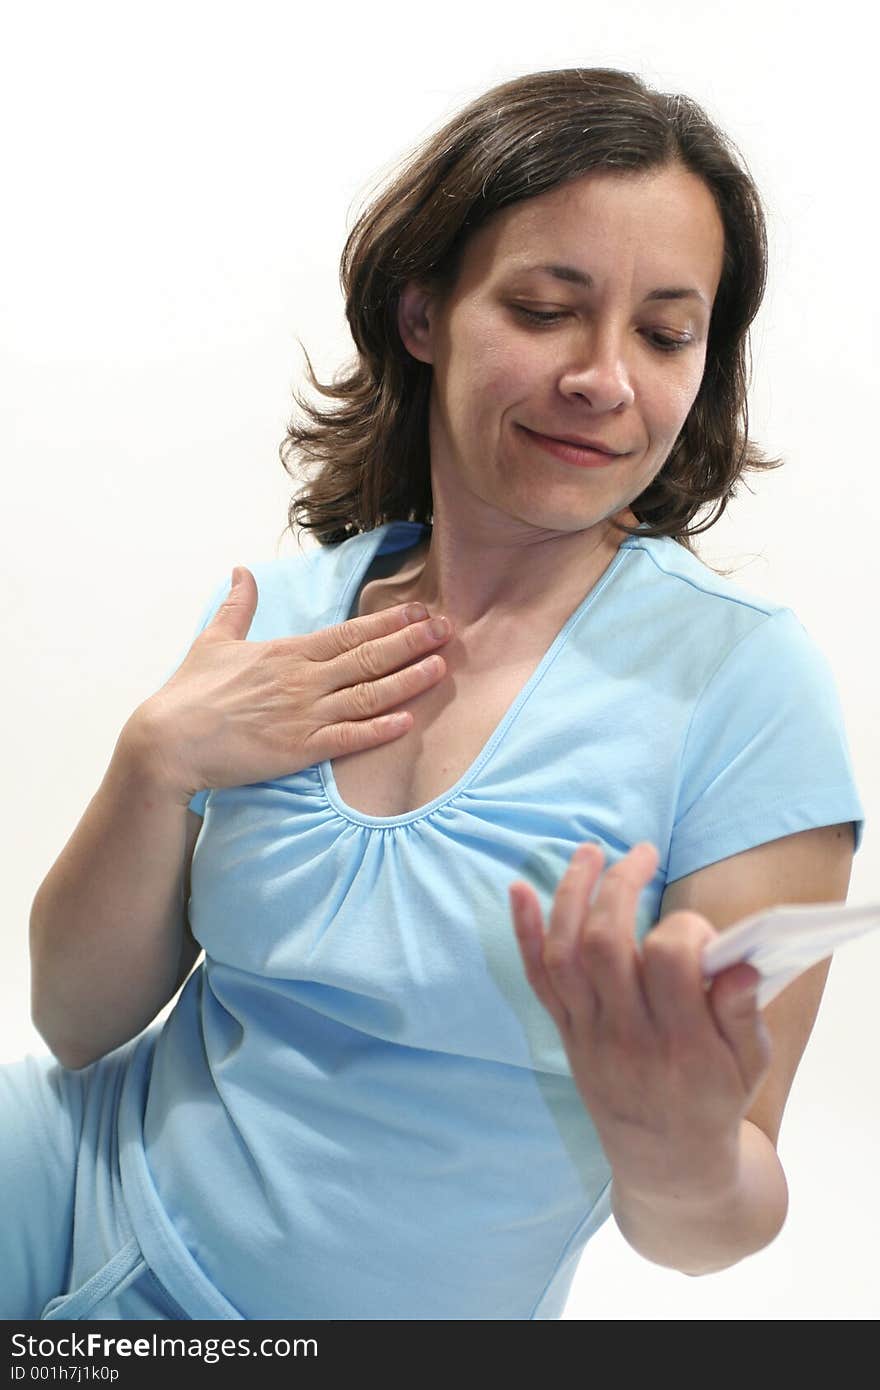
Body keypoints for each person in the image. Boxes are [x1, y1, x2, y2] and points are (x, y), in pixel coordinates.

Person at [4, 66, 865, 1321]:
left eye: (665, 332)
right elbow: (77, 1022)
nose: (604, 378)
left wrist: (672, 1142)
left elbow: (707, 1230)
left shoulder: (742, 684)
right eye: (544, 306)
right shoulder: (281, 618)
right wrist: (153, 761)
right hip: (65, 1180)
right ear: (422, 312)